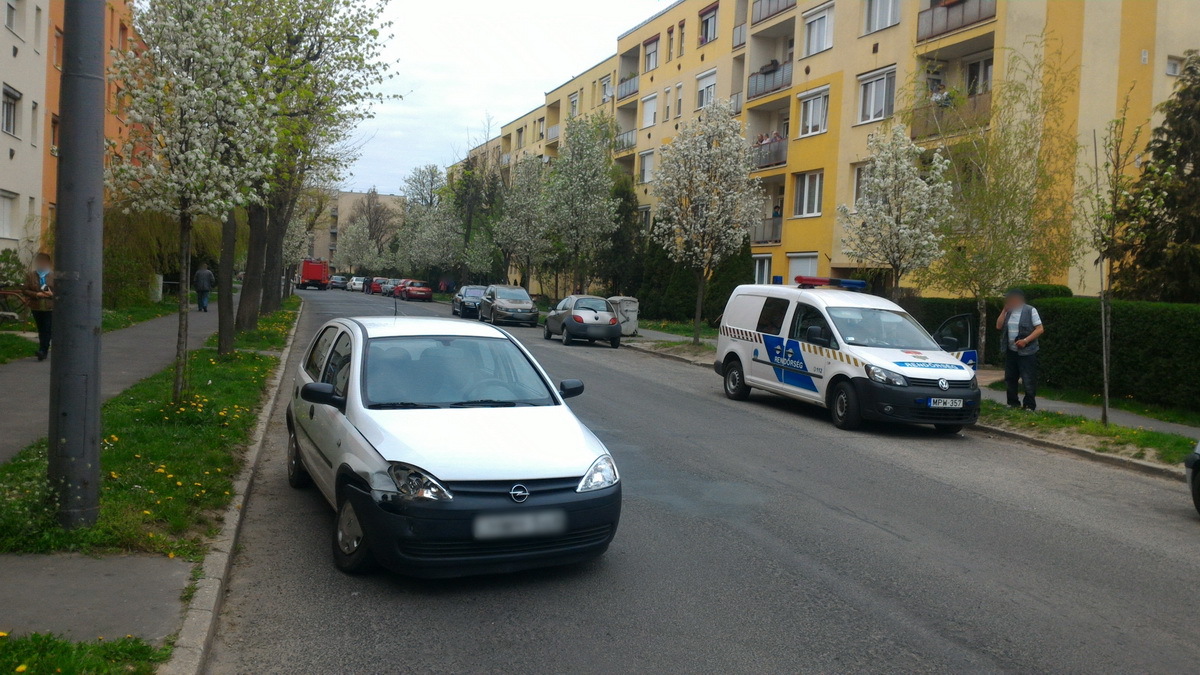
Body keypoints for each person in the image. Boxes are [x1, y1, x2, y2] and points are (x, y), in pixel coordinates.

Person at [995, 288, 1044, 411]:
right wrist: (1004, 311)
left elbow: (1040, 329)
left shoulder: (1030, 310)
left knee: (1028, 379)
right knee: (1010, 378)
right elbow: (998, 326)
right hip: (1011, 351)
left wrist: (1025, 340)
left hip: (1027, 351)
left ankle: (1029, 405)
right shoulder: (1009, 311)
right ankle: (1012, 403)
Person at [23, 252, 55, 361]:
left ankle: (43, 350)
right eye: (40, 261)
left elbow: (62, 292)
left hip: (49, 307)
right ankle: (43, 348)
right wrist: (36, 294)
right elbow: (25, 290)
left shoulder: (53, 276)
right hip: (36, 306)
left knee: (47, 328)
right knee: (41, 328)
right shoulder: (31, 275)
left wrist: (52, 294)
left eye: (44, 261)